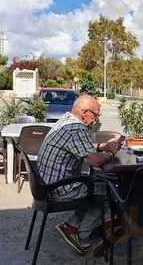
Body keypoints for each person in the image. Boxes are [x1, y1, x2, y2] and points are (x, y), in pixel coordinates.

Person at [37, 94, 121, 254]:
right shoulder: (76, 128)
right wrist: (111, 153)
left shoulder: (65, 121)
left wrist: (102, 146)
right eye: (96, 115)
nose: (96, 119)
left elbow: (78, 146)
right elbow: (95, 161)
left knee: (95, 184)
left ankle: (71, 226)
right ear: (84, 112)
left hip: (45, 186)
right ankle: (81, 234)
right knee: (107, 192)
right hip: (59, 189)